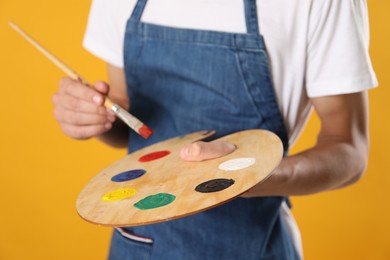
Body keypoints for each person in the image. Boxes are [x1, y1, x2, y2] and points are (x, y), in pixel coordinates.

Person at [52, 0, 377, 259]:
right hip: (139, 245)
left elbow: (348, 147)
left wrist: (245, 175)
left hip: (251, 245)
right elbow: (130, 123)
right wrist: (96, 118)